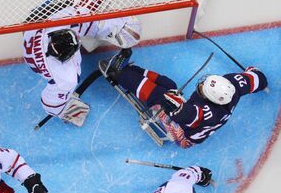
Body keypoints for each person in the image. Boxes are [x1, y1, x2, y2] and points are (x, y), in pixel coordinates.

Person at [23, 0, 142, 127]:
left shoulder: (60, 22)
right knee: (87, 19)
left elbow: (86, 5)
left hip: (31, 27)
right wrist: (60, 109)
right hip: (38, 44)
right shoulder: (66, 77)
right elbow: (49, 102)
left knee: (79, 7)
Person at [99, 49, 268, 147]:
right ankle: (133, 71)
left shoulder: (205, 113)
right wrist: (255, 73)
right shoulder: (231, 86)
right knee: (170, 84)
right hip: (191, 117)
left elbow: (188, 116)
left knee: (160, 96)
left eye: (202, 89)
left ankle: (119, 74)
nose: (201, 85)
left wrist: (176, 106)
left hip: (185, 134)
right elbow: (256, 78)